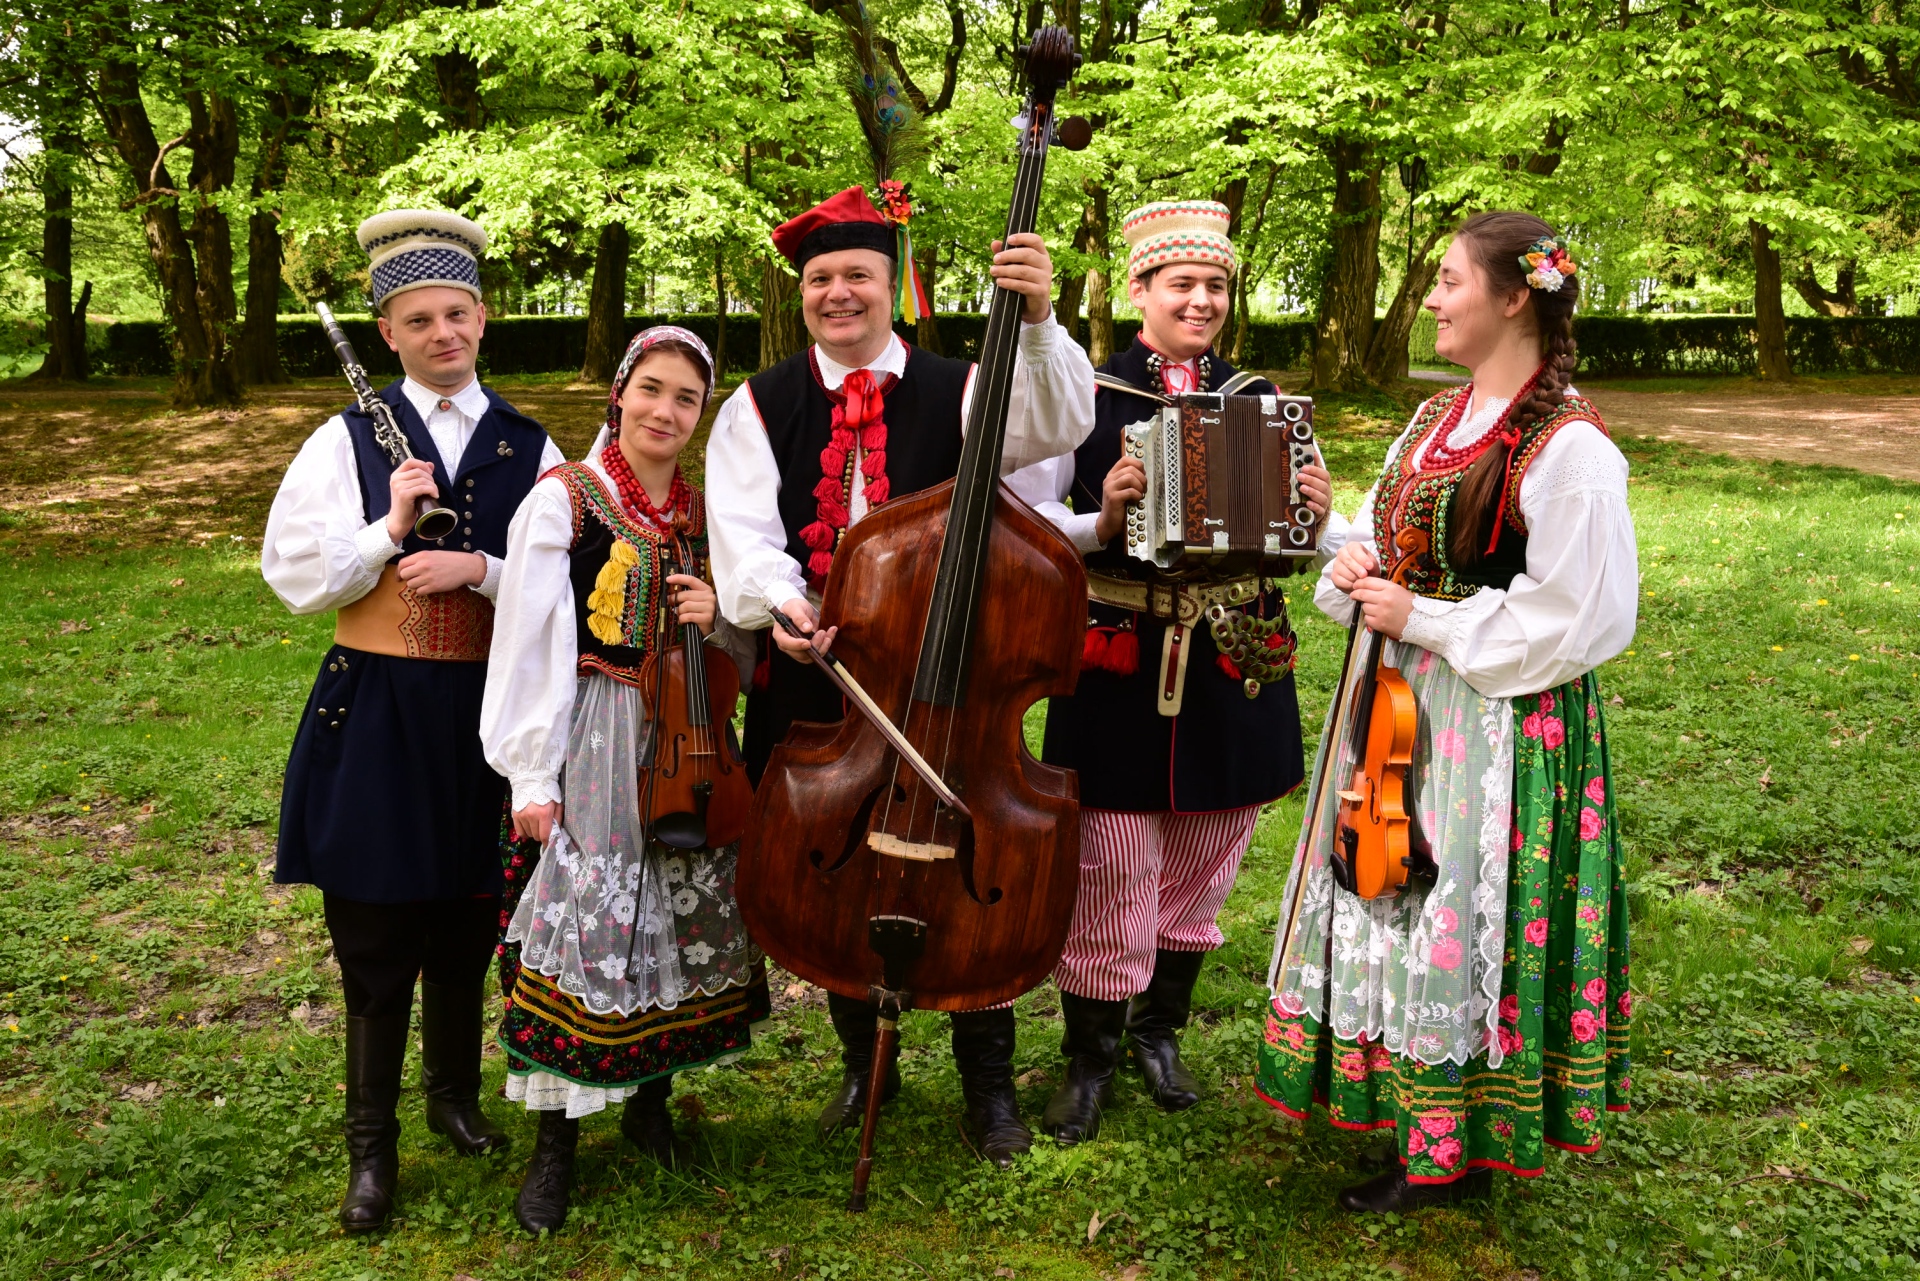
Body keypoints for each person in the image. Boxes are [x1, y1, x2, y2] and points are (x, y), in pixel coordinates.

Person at [705, 185, 1096, 1167]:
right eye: (820, 279)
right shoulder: (758, 405)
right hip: (824, 679)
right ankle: (861, 1066)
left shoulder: (965, 385)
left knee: (973, 869)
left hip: (960, 684)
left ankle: (988, 1083)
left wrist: (1037, 316)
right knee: (829, 867)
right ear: (802, 292)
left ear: (893, 286)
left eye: (858, 276)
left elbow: (1059, 423)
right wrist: (785, 606)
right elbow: (744, 539)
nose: (839, 293)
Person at [1257, 212, 1636, 1212]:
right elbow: (1400, 543)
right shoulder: (1436, 418)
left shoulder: (1570, 448)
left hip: (1493, 720)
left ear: (1513, 299)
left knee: (1453, 911)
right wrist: (1348, 549)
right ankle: (1406, 1108)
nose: (1430, 298)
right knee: (1392, 894)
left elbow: (1579, 616)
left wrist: (1420, 616)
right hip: (1400, 701)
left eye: (1449, 280)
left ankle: (1454, 1140)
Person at [1004, 200, 1340, 1145]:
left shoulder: (1260, 399)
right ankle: (1091, 1054)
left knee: (1207, 853)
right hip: (1119, 660)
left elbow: (1303, 539)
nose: (1201, 301)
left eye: (1216, 285)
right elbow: (1027, 523)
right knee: (1111, 859)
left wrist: (1315, 513)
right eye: (1182, 283)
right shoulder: (1086, 395)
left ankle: (1159, 1033)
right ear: (1139, 290)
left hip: (1234, 662)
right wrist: (1103, 516)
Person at [262, 209, 564, 1232]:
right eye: (419, 320)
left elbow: (574, 578)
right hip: (378, 711)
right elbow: (294, 576)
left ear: (482, 318)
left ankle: (452, 1099)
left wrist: (481, 568)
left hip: (487, 711)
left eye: (457, 314)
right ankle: (371, 1150)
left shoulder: (531, 443)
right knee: (379, 932)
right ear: (387, 332)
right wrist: (387, 529)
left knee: (468, 918)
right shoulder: (343, 439)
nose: (443, 334)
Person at [480, 326, 768, 1233]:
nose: (666, 410)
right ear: (619, 391)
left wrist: (718, 614)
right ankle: (554, 1145)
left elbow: (741, 652)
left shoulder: (702, 512)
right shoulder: (565, 499)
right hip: (594, 736)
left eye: (686, 398)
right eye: (652, 388)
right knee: (590, 923)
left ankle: (650, 1106)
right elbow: (527, 640)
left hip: (687, 740)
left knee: (673, 913)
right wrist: (532, 772)